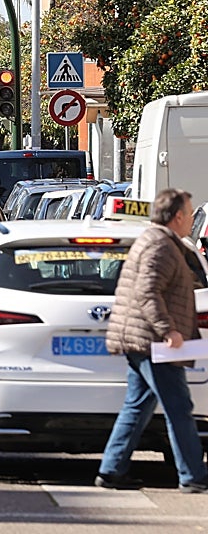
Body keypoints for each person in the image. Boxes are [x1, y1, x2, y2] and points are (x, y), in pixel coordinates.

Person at [96, 188, 208, 492]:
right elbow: (147, 292)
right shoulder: (160, 245)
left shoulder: (160, 241)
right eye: (190, 211)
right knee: (178, 407)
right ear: (179, 216)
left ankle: (112, 469)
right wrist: (167, 329)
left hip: (143, 339)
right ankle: (193, 476)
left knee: (138, 405)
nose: (192, 218)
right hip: (152, 342)